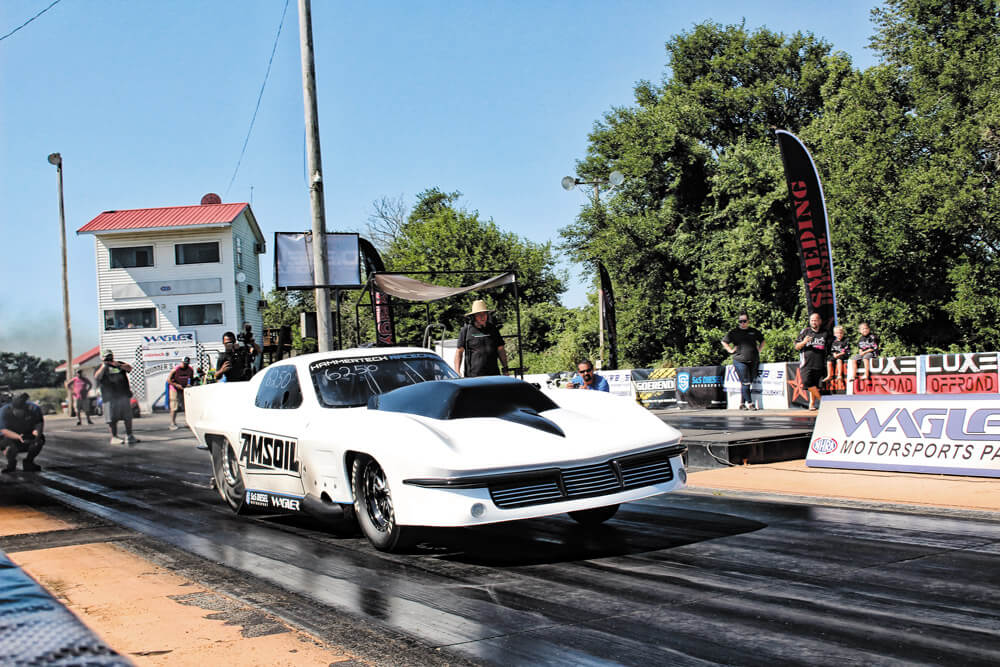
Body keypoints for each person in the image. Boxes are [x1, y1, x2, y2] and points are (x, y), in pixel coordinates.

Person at [721, 312, 766, 410]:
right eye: (740, 321)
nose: (742, 323)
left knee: (747, 382)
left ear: (748, 321)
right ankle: (750, 403)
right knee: (746, 382)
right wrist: (730, 350)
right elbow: (724, 341)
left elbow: (762, 340)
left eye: (744, 321)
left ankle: (742, 403)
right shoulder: (734, 332)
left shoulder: (753, 331)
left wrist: (759, 349)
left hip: (753, 359)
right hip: (740, 360)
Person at [454, 300, 509, 378]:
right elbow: (459, 352)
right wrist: (457, 371)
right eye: (479, 314)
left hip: (494, 375)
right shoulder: (466, 330)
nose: (483, 317)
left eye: (485, 314)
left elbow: (500, 349)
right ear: (473, 317)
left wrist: (505, 369)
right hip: (473, 377)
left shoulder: (493, 329)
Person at [95, 351, 139, 445]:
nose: (109, 359)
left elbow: (129, 368)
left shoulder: (118, 364)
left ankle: (129, 436)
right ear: (102, 358)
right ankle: (114, 437)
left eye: (110, 357)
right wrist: (104, 365)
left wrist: (118, 365)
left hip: (123, 395)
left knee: (127, 417)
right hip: (109, 397)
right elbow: (97, 377)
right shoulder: (100, 367)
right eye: (107, 357)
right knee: (112, 419)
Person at [795, 313, 831, 411]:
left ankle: (812, 404)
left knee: (815, 385)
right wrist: (804, 342)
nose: (814, 322)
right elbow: (796, 347)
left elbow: (829, 347)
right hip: (806, 363)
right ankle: (823, 401)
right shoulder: (805, 331)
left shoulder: (825, 333)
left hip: (819, 363)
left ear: (820, 321)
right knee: (807, 383)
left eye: (815, 320)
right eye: (812, 320)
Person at [0, 393, 45, 473]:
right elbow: (3, 430)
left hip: (27, 434)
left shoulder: (34, 408)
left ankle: (29, 462)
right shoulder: (4, 411)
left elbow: (39, 424)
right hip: (10, 437)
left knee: (39, 441)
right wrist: (18, 437)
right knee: (8, 446)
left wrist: (37, 434)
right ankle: (11, 463)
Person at [167, 356, 195, 430]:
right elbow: (168, 380)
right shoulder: (176, 369)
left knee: (186, 406)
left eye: (186, 363)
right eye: (184, 363)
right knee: (174, 406)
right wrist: (176, 385)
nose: (185, 365)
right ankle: (172, 423)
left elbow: (190, 378)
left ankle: (188, 422)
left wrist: (189, 384)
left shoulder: (190, 369)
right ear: (181, 362)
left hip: (184, 388)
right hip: (175, 388)